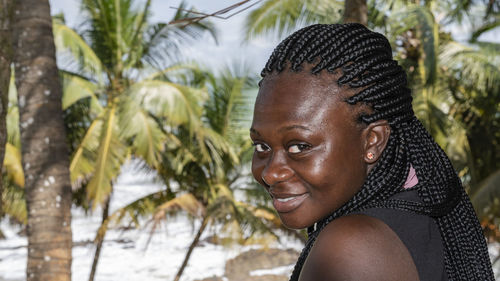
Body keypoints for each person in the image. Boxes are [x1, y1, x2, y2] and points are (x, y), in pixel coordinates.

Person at [250, 23, 494, 281]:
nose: (271, 173)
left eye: (300, 146)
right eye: (262, 147)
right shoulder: (420, 213)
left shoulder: (349, 246)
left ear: (373, 142)